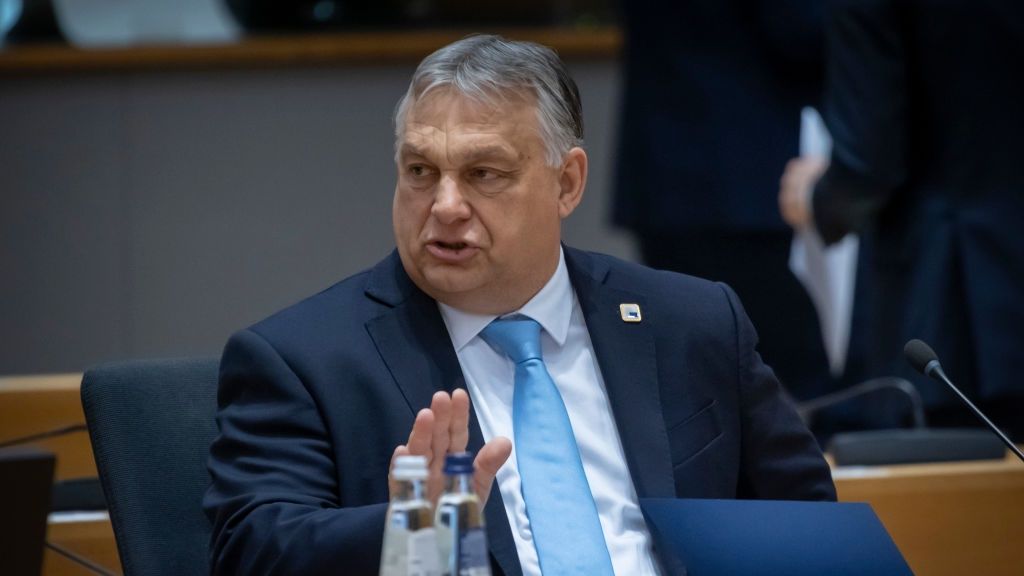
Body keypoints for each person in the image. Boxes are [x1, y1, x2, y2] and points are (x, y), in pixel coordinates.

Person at [204, 35, 835, 576]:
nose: (445, 205)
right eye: (420, 171)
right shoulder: (306, 359)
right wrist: (414, 531)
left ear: (567, 183)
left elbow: (809, 532)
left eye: (484, 174)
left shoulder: (691, 323)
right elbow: (249, 554)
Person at [778, 0, 1024, 436]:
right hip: (979, 288)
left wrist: (816, 197)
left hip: (957, 298)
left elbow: (869, 162)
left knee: (962, 496)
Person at [613, 0, 835, 404]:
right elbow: (802, 32)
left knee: (689, 366)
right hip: (745, 164)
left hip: (662, 163)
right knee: (808, 373)